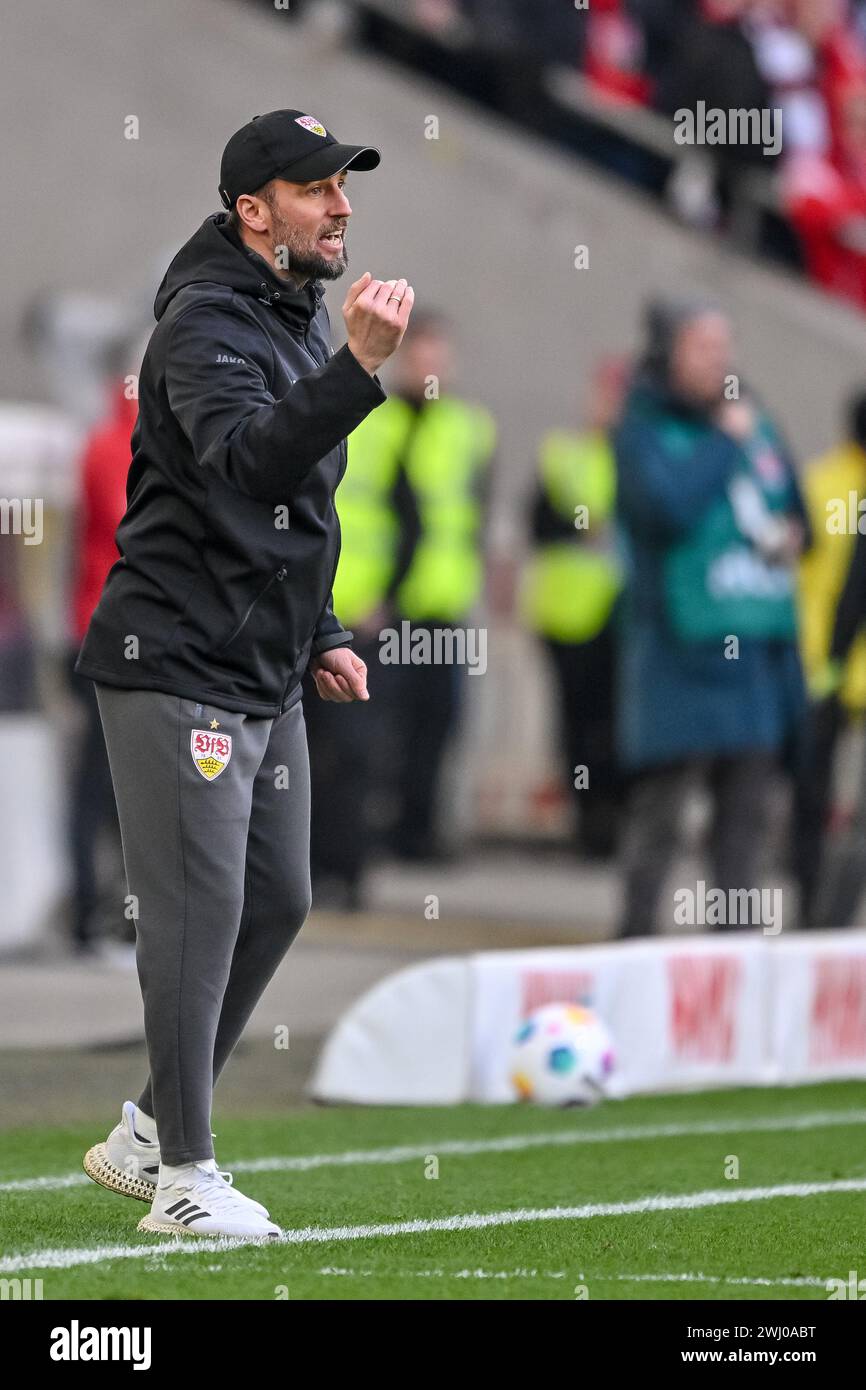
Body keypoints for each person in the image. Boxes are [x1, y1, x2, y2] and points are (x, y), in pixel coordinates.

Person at [74, 109, 414, 1239]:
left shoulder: (284, 310)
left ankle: (144, 1129)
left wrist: (318, 631)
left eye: (343, 184)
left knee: (277, 898)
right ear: (252, 211)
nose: (342, 204)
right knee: (195, 913)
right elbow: (243, 465)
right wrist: (359, 370)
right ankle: (182, 1176)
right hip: (175, 660)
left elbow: (294, 506)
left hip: (260, 667)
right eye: (317, 187)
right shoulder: (206, 323)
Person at [613, 299, 807, 937]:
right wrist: (725, 443)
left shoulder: (754, 419)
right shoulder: (643, 428)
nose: (719, 360)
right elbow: (667, 510)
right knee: (661, 822)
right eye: (702, 347)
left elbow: (798, 510)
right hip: (678, 654)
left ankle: (734, 964)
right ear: (669, 353)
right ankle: (634, 948)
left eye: (724, 346)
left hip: (751, 658)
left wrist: (794, 535)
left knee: (744, 831)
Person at [373, 312, 496, 860]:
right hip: (387, 604)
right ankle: (383, 829)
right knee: (381, 728)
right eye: (422, 358)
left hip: (445, 603)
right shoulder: (375, 419)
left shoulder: (469, 427)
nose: (432, 370)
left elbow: (477, 512)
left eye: (439, 359)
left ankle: (420, 830)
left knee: (439, 725)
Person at [520, 357, 627, 859]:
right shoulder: (564, 454)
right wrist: (583, 530)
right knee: (578, 726)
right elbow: (538, 523)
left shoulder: (642, 457)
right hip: (570, 615)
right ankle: (589, 824)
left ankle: (613, 822)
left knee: (618, 726)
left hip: (625, 616)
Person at [66, 368, 137, 951]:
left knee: (106, 783)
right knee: (107, 784)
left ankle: (102, 913)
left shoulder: (105, 442)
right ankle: (95, 915)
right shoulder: (124, 445)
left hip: (101, 629)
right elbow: (126, 529)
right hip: (115, 634)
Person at [794, 391, 866, 923]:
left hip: (821, 664)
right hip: (836, 663)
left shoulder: (817, 481)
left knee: (812, 801)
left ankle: (818, 917)